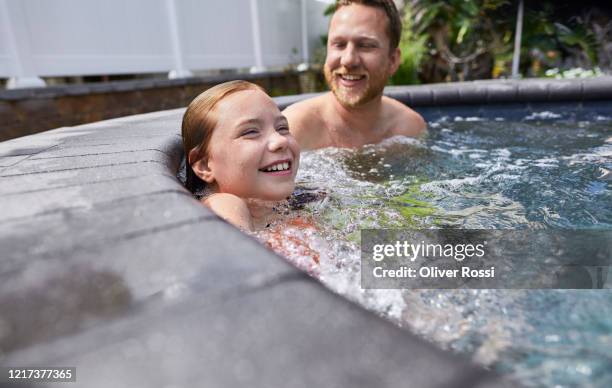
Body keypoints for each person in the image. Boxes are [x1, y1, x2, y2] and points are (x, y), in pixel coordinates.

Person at [283, 0, 426, 150]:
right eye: (339, 44)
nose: (348, 60)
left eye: (365, 45)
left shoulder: (410, 129)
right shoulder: (295, 130)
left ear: (393, 61)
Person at [182, 80, 300, 231]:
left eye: (282, 128)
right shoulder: (224, 204)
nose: (280, 140)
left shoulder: (285, 207)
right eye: (251, 132)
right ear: (205, 165)